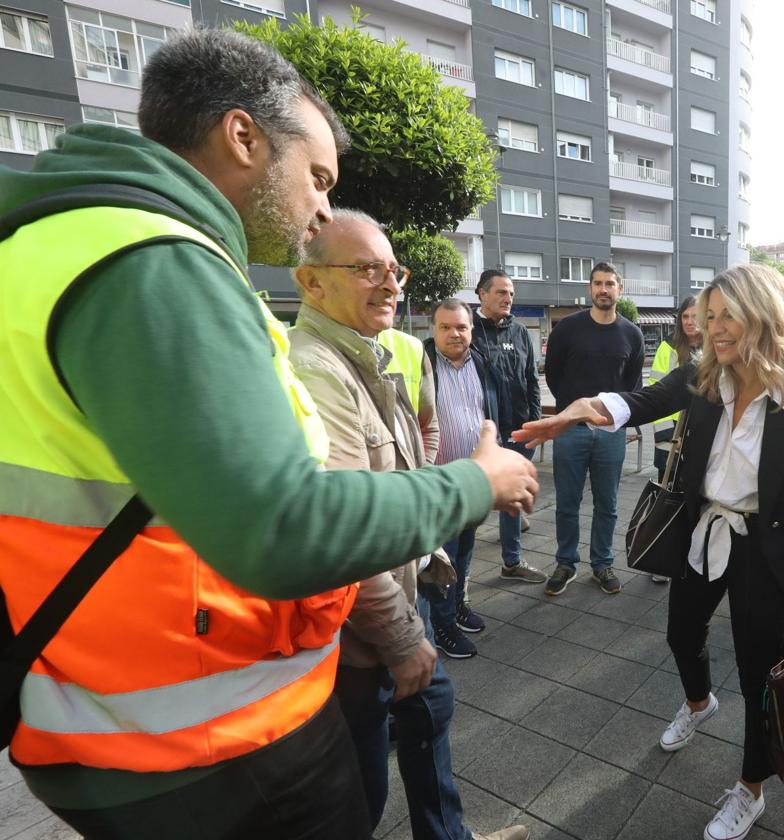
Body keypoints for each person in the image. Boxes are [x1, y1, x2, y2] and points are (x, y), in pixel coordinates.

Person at [0, 28, 538, 839]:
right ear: (243, 135)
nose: (322, 205)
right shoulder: (157, 260)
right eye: (317, 177)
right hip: (213, 740)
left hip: (104, 710)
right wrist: (477, 483)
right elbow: (284, 524)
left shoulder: (47, 246)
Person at [516, 264, 784, 840]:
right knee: (681, 634)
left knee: (760, 672)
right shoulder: (704, 378)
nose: (714, 328)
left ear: (763, 314)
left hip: (765, 549)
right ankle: (699, 701)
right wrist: (584, 410)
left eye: (727, 315)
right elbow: (642, 399)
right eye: (710, 317)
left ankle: (751, 790)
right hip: (702, 532)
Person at [291, 212, 526, 840]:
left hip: (398, 592)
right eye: (366, 268)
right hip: (358, 626)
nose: (390, 283)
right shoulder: (317, 369)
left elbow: (401, 464)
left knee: (427, 717)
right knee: (358, 792)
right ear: (310, 282)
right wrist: (398, 637)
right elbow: (343, 523)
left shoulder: (368, 351)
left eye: (393, 269)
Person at [542, 262, 645, 596]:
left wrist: (619, 421)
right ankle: (565, 563)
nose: (604, 289)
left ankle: (602, 563)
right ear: (590, 288)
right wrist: (572, 413)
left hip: (611, 434)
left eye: (610, 283)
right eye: (598, 283)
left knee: (608, 504)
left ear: (620, 289)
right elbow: (554, 375)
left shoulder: (632, 333)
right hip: (570, 431)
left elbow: (633, 386)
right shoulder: (568, 329)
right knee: (566, 503)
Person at [423, 298, 501, 659]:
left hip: (474, 479)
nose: (455, 333)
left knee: (466, 550)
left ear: (471, 329)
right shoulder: (423, 364)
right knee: (444, 557)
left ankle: (457, 606)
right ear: (433, 329)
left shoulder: (481, 363)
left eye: (462, 327)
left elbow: (489, 410)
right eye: (446, 327)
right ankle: (442, 626)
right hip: (440, 482)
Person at [472, 269, 547, 584]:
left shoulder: (519, 332)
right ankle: (455, 573)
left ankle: (512, 561)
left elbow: (531, 379)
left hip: (518, 429)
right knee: (474, 502)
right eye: (501, 292)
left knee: (513, 497)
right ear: (482, 294)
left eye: (511, 293)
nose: (507, 298)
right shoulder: (468, 331)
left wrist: (535, 420)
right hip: (481, 436)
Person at [648, 296, 703, 481]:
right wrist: (670, 436)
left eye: (695, 316)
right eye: (685, 316)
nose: (689, 322)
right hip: (671, 439)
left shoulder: (715, 348)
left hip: (702, 435)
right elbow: (655, 396)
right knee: (668, 500)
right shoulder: (667, 348)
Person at [379, 323, 440, 463]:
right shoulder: (323, 351)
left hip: (410, 479)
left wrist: (422, 473)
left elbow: (429, 426)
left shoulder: (412, 347)